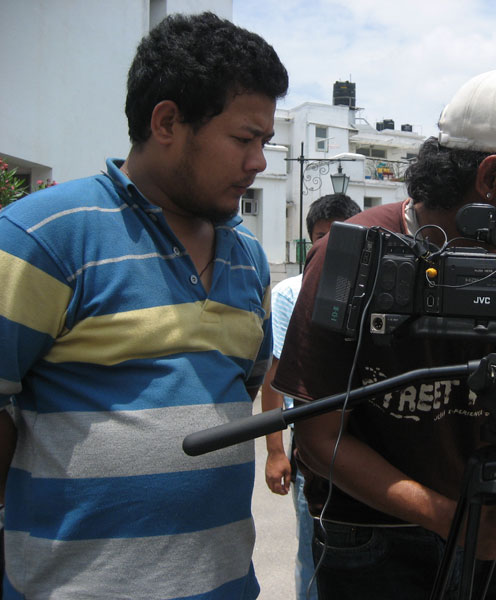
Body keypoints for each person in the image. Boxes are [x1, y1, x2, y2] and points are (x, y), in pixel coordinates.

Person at [272, 66, 496, 600]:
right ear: (491, 178)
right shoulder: (354, 255)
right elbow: (318, 438)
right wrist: (452, 519)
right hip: (375, 542)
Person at [0, 12, 288, 599]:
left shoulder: (249, 259)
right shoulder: (43, 238)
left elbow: (241, 390)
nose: (259, 162)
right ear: (167, 122)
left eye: (265, 142)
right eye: (244, 139)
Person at [262, 193, 362, 600]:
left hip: (368, 440)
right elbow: (274, 377)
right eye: (322, 237)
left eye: (342, 235)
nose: (331, 246)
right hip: (311, 444)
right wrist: (275, 452)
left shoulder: (377, 289)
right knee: (313, 551)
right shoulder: (292, 292)